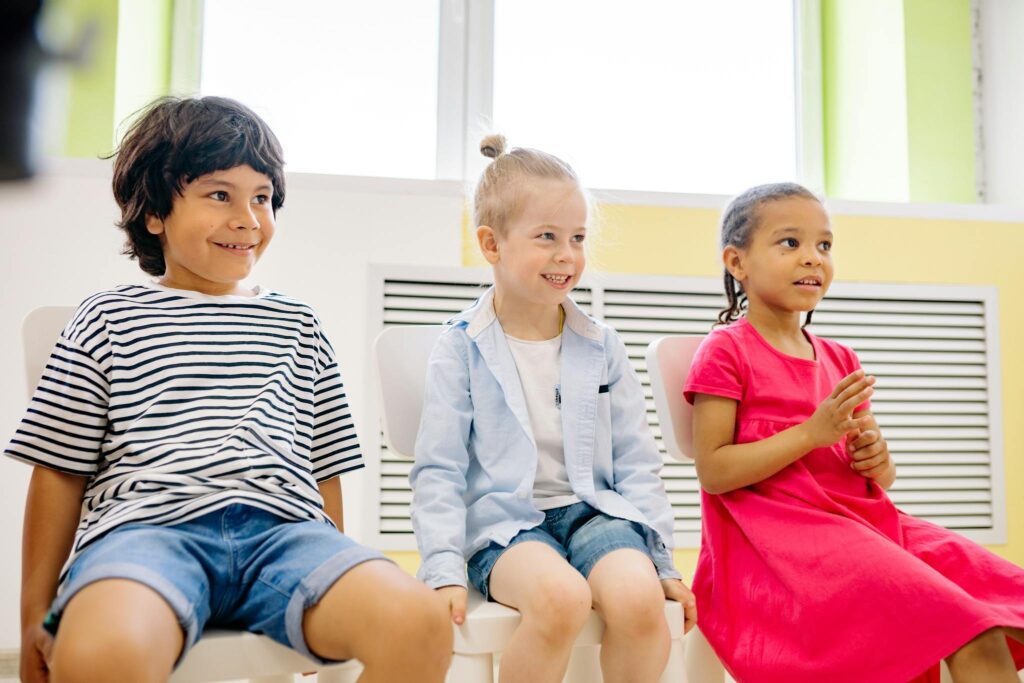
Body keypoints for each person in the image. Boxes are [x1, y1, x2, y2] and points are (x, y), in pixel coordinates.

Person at [9, 95, 451, 683]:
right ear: (154, 213)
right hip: (146, 534)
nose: (249, 218)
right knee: (102, 654)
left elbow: (325, 469)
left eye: (262, 198)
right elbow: (57, 470)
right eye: (220, 195)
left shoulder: (299, 323)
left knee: (419, 623)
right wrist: (33, 615)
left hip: (286, 536)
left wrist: (334, 578)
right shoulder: (105, 318)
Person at [685, 181, 1024, 683]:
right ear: (737, 262)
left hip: (867, 524)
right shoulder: (726, 351)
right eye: (789, 243)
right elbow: (714, 471)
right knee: (965, 626)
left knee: (997, 609)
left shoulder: (840, 359)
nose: (812, 259)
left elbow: (879, 480)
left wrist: (874, 459)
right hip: (781, 545)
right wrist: (810, 434)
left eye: (824, 245)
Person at [410, 134, 696, 683]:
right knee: (561, 600)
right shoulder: (461, 347)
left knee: (639, 604)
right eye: (547, 237)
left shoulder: (601, 345)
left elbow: (638, 460)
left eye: (577, 237)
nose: (567, 254)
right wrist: (442, 568)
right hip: (504, 527)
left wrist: (661, 563)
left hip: (595, 512)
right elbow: (439, 470)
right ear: (492, 245)